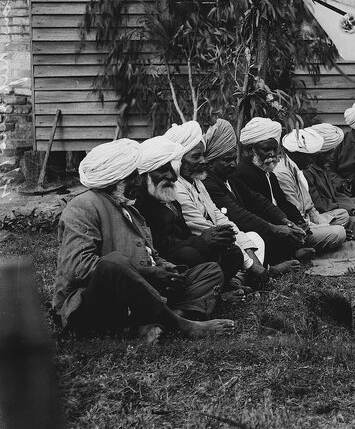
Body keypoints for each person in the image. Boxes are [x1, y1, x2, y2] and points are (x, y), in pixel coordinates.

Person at [53, 139, 234, 341]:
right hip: (95, 304)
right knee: (114, 263)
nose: (138, 182)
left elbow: (150, 253)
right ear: (116, 178)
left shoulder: (129, 208)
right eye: (132, 177)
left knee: (209, 271)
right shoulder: (83, 206)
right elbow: (79, 268)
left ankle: (156, 323)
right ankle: (182, 324)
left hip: (140, 292)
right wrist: (148, 273)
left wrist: (168, 269)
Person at [132, 136, 259, 300]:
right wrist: (202, 241)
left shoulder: (169, 199)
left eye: (172, 169)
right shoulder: (140, 204)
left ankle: (216, 290)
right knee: (189, 255)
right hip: (167, 264)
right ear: (144, 175)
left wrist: (213, 239)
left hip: (187, 252)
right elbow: (159, 248)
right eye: (163, 170)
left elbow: (185, 234)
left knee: (232, 252)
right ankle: (212, 297)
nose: (172, 176)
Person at [163, 121, 270, 278]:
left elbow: (219, 217)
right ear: (178, 160)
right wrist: (252, 264)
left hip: (217, 239)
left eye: (203, 155)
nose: (204, 161)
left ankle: (248, 276)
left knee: (253, 238)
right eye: (196, 156)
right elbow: (202, 227)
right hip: (197, 245)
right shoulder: (176, 187)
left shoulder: (197, 181)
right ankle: (247, 276)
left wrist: (249, 255)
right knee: (231, 251)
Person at [200, 119, 306, 274]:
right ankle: (268, 270)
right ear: (210, 163)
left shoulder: (230, 177)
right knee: (256, 237)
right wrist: (274, 229)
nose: (233, 164)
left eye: (233, 159)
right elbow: (238, 215)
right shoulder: (209, 183)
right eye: (227, 160)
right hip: (230, 236)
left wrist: (285, 222)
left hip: (244, 233)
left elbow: (257, 200)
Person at [232, 117, 349, 256]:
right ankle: (292, 251)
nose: (272, 154)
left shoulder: (268, 172)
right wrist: (291, 227)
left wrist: (299, 222)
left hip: (286, 226)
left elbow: (284, 203)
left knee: (339, 223)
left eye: (274, 149)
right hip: (269, 231)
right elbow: (259, 214)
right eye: (266, 149)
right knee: (338, 233)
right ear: (251, 150)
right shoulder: (243, 174)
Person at [276, 128, 355, 240]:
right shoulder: (283, 173)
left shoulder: (296, 169)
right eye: (310, 156)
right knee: (339, 232)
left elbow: (311, 209)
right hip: (300, 227)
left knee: (343, 215)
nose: (312, 160)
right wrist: (328, 228)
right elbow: (297, 217)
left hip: (311, 219)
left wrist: (326, 225)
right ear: (298, 155)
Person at [308, 122, 355, 218]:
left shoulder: (320, 165)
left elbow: (334, 195)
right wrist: (349, 207)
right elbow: (320, 204)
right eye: (329, 152)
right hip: (327, 211)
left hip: (347, 190)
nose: (331, 155)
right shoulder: (309, 170)